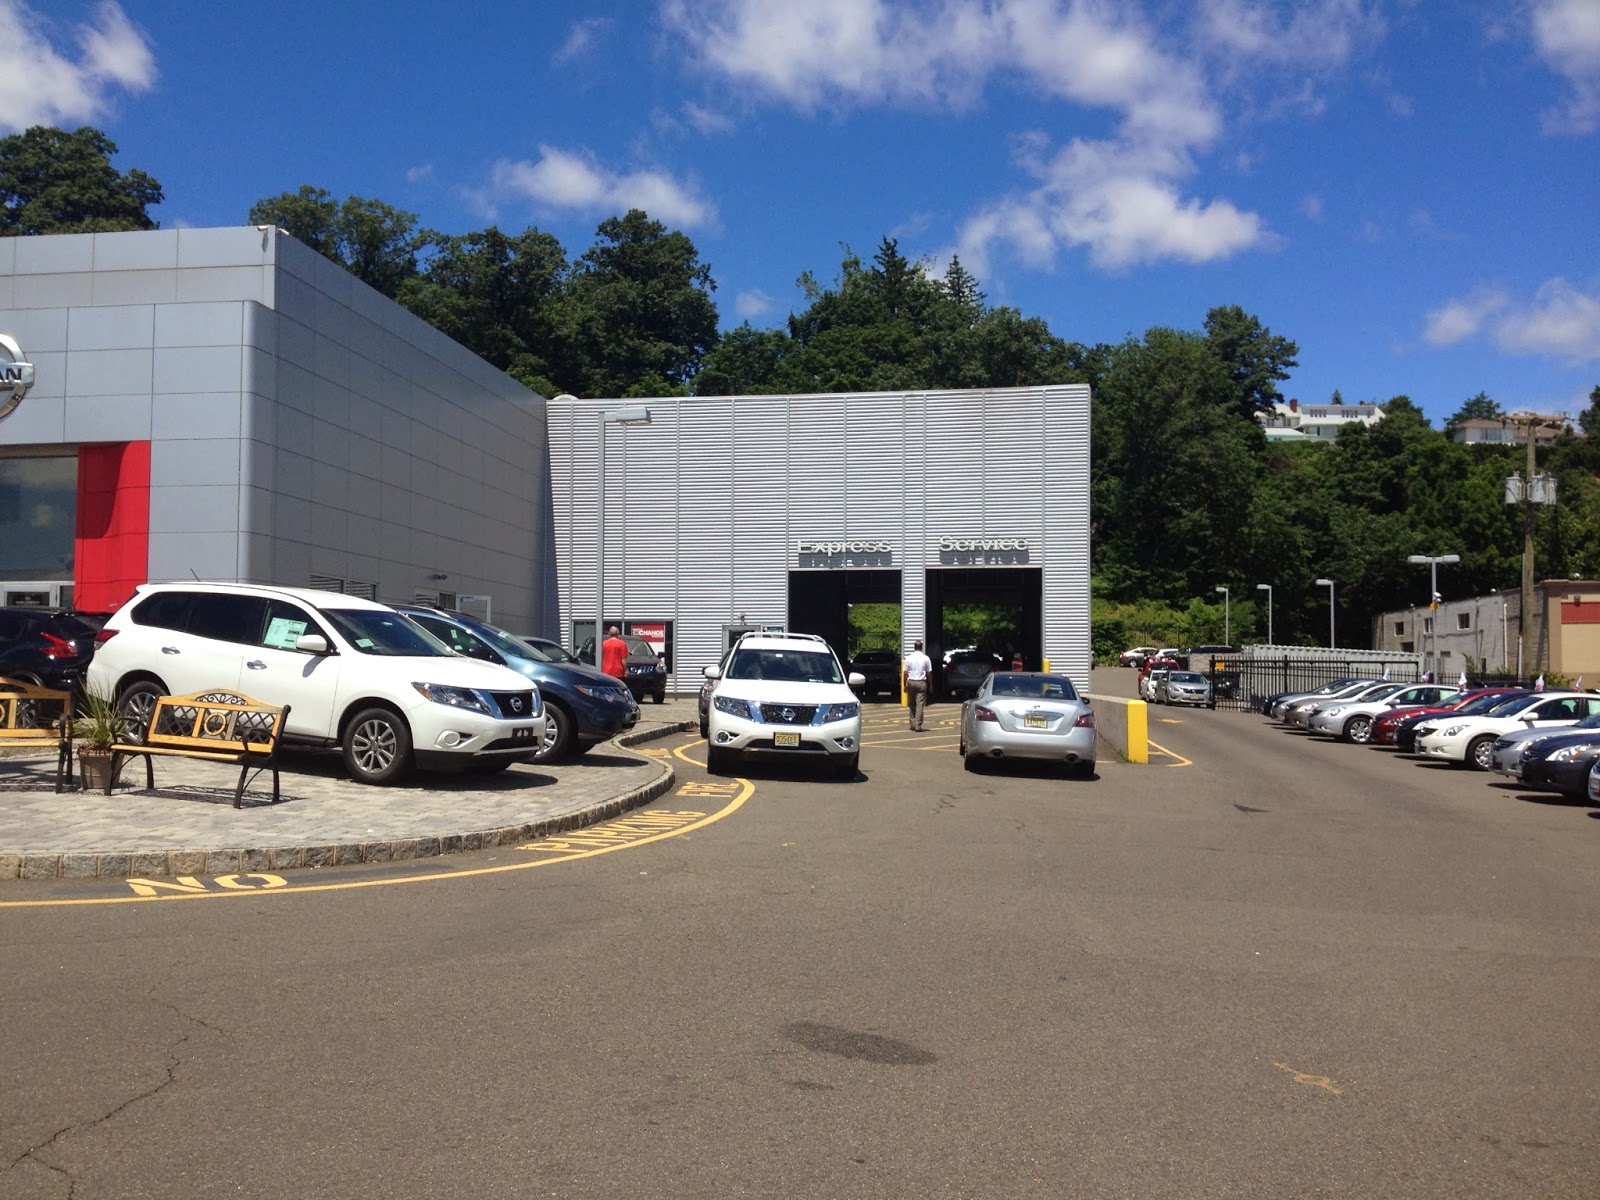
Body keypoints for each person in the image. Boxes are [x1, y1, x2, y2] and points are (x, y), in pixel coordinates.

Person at [902, 638, 933, 731]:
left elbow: (905, 673)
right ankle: (918, 725)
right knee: (920, 704)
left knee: (911, 703)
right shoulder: (926, 658)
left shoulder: (909, 658)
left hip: (911, 681)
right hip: (921, 682)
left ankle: (912, 723)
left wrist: (904, 685)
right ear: (921, 647)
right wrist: (930, 685)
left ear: (914, 647)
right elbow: (929, 673)